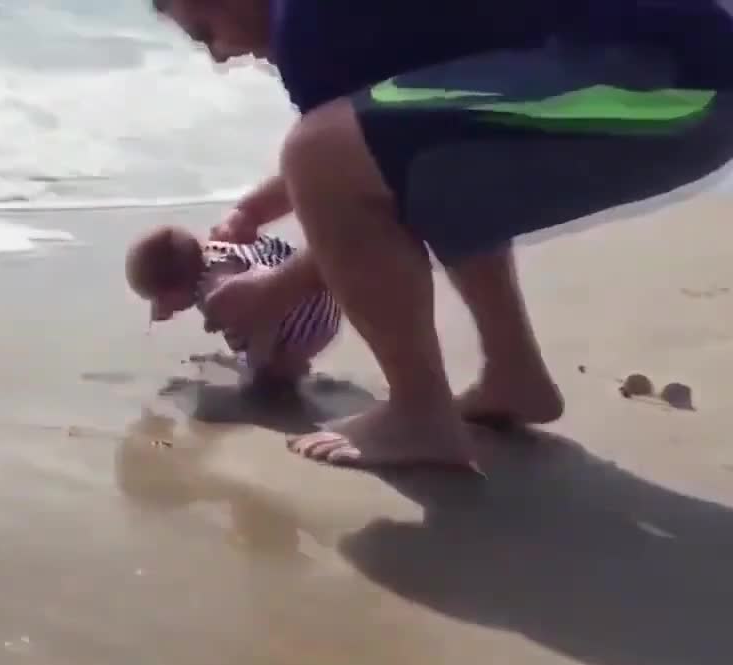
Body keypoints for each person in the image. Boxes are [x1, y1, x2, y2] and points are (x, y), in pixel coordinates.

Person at [152, 0, 733, 469]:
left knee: (339, 157)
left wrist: (274, 290)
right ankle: (514, 375)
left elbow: (340, 168)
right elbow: (387, 138)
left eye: (206, 31)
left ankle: (418, 413)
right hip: (672, 73)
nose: (223, 56)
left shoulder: (308, 23)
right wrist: (258, 207)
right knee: (427, 164)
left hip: (670, 81)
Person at [126, 224, 342, 387]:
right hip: (315, 286)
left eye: (157, 298)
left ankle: (287, 369)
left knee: (267, 375)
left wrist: (260, 362)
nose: (158, 306)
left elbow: (266, 298)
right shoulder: (212, 255)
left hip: (310, 320)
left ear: (172, 292)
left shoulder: (216, 290)